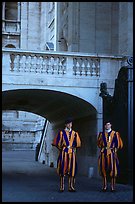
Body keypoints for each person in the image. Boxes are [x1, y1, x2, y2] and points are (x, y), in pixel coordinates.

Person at [52, 118, 81, 192]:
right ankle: (62, 186)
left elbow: (78, 144)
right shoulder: (61, 133)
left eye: (71, 123)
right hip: (64, 152)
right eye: (68, 123)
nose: (70, 125)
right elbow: (56, 143)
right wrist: (61, 149)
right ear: (65, 124)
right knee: (62, 169)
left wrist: (73, 148)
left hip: (71, 153)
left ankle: (71, 186)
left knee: (72, 169)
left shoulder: (75, 134)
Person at [97, 121, 123, 192]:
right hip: (103, 153)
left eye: (108, 124)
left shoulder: (115, 133)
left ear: (111, 125)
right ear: (104, 126)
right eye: (106, 125)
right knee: (103, 169)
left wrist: (114, 150)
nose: (107, 126)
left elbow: (118, 144)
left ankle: (112, 186)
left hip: (111, 153)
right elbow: (98, 143)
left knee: (113, 169)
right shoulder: (101, 134)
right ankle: (104, 186)